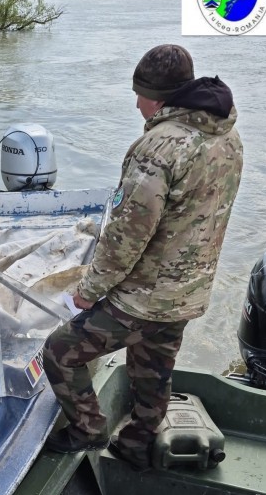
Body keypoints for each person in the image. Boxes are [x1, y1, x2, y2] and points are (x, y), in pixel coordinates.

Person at [43, 44, 243, 469]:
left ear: (161, 96)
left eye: (141, 94)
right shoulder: (226, 135)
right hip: (188, 291)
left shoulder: (158, 148)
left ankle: (88, 429)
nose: (137, 104)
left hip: (144, 296)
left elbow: (126, 236)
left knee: (60, 350)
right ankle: (137, 442)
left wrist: (87, 291)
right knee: (154, 364)